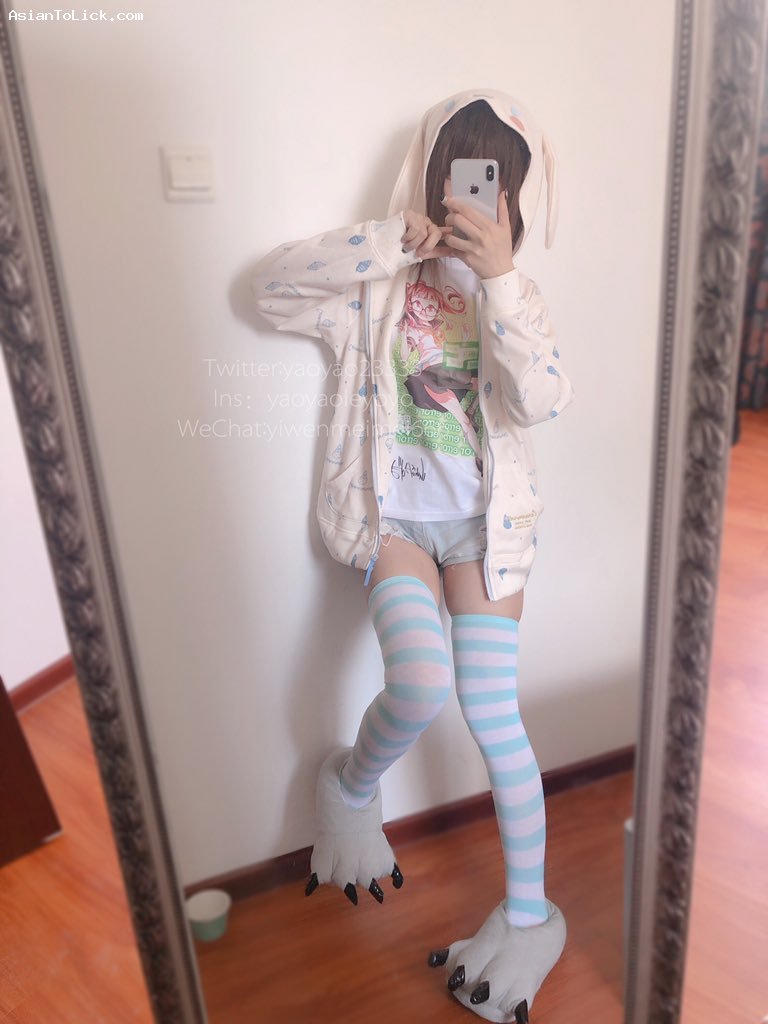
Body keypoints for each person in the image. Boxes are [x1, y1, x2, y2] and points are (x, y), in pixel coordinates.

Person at [251, 88, 574, 1024]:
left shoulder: (518, 295)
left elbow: (546, 399)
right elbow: (269, 291)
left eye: (495, 180)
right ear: (431, 176)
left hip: (484, 533)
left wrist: (501, 279)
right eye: (458, 171)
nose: (475, 195)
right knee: (421, 684)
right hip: (394, 523)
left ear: (515, 194)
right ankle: (351, 787)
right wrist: (392, 240)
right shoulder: (378, 282)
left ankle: (529, 918)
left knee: (495, 717)